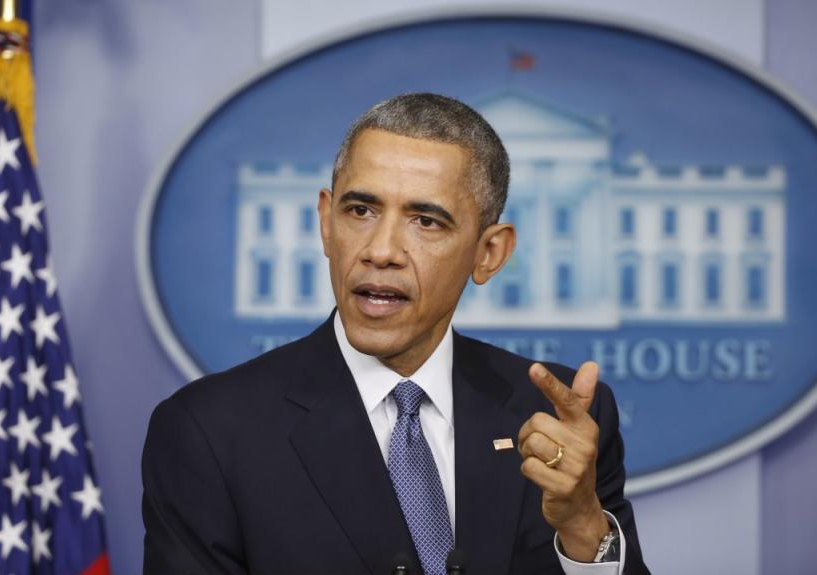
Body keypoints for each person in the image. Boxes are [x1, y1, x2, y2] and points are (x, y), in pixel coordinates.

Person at [142, 93, 649, 574]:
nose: (381, 250)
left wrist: (584, 525)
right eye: (360, 211)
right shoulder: (208, 431)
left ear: (489, 253)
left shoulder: (560, 423)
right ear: (325, 222)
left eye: (426, 221)